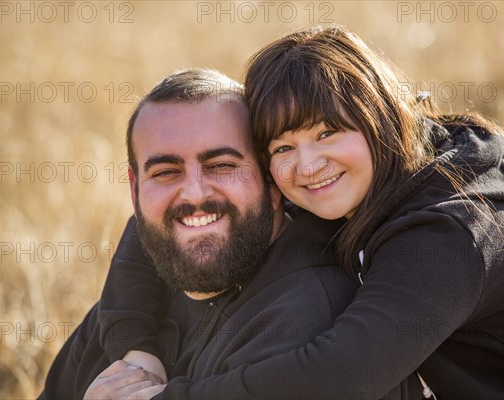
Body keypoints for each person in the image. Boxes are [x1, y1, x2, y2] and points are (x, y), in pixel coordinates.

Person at [94, 26, 504, 399]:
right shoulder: (341, 180)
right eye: (282, 145)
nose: (308, 163)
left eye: (328, 132)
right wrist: (138, 352)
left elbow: (341, 376)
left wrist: (166, 398)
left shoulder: (451, 233)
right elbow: (163, 222)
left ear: (378, 119)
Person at [38, 68, 424, 399]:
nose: (193, 195)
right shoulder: (133, 303)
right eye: (165, 172)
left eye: (221, 165)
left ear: (272, 181)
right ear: (134, 189)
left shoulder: (306, 319)